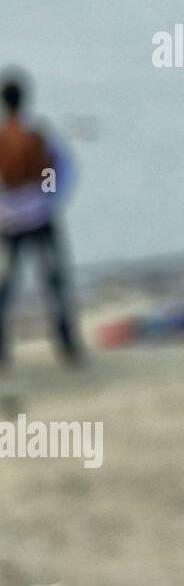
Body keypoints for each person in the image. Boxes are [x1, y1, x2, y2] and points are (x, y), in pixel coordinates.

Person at [0, 70, 82, 366]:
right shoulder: (36, 135)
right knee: (54, 280)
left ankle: (2, 349)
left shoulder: (5, 137)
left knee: (7, 285)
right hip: (38, 214)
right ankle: (67, 343)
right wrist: (48, 197)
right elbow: (61, 169)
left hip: (9, 219)